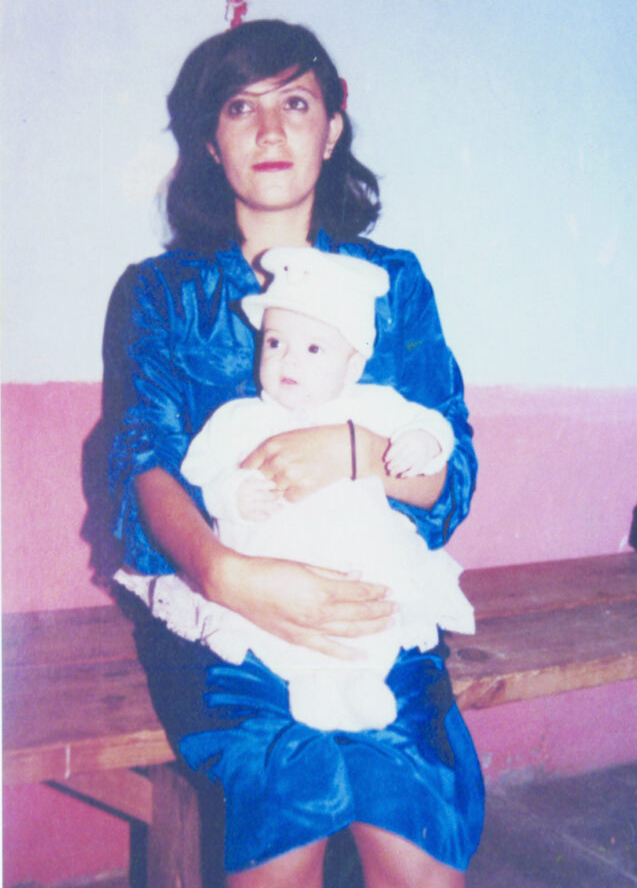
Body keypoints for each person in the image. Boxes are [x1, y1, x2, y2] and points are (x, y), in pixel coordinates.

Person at [106, 18, 484, 888]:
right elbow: (144, 463)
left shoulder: (393, 284)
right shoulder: (161, 293)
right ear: (210, 139)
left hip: (373, 607)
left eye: (295, 103)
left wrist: (354, 448)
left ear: (333, 123)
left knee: (413, 804)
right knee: (290, 793)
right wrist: (230, 574)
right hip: (220, 614)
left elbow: (451, 475)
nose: (270, 130)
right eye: (241, 108)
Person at [114, 245, 476, 734]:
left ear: (350, 368)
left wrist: (418, 442)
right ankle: (311, 688)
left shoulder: (370, 405)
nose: (289, 360)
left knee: (373, 619)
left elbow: (434, 429)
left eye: (313, 349)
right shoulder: (241, 418)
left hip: (357, 565)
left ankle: (362, 682)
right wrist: (231, 492)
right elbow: (201, 473)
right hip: (267, 577)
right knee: (274, 643)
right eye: (275, 342)